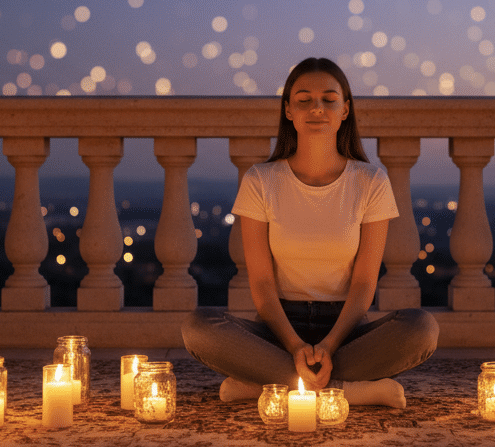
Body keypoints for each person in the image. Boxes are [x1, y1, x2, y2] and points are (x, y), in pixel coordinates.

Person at [182, 57, 438, 408]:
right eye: (303, 99)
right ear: (288, 110)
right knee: (198, 327)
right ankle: (347, 391)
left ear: (345, 110)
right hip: (278, 328)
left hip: (345, 329)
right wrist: (295, 346)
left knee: (422, 329)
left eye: (328, 99)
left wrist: (329, 345)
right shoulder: (261, 180)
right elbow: (261, 284)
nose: (316, 107)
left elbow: (364, 283)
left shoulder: (370, 182)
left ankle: (269, 384)